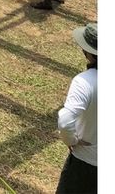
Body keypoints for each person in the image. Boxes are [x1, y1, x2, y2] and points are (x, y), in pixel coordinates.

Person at [56, 22, 97, 193]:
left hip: (86, 162)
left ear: (89, 54)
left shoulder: (85, 82)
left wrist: (71, 140)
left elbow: (65, 121)